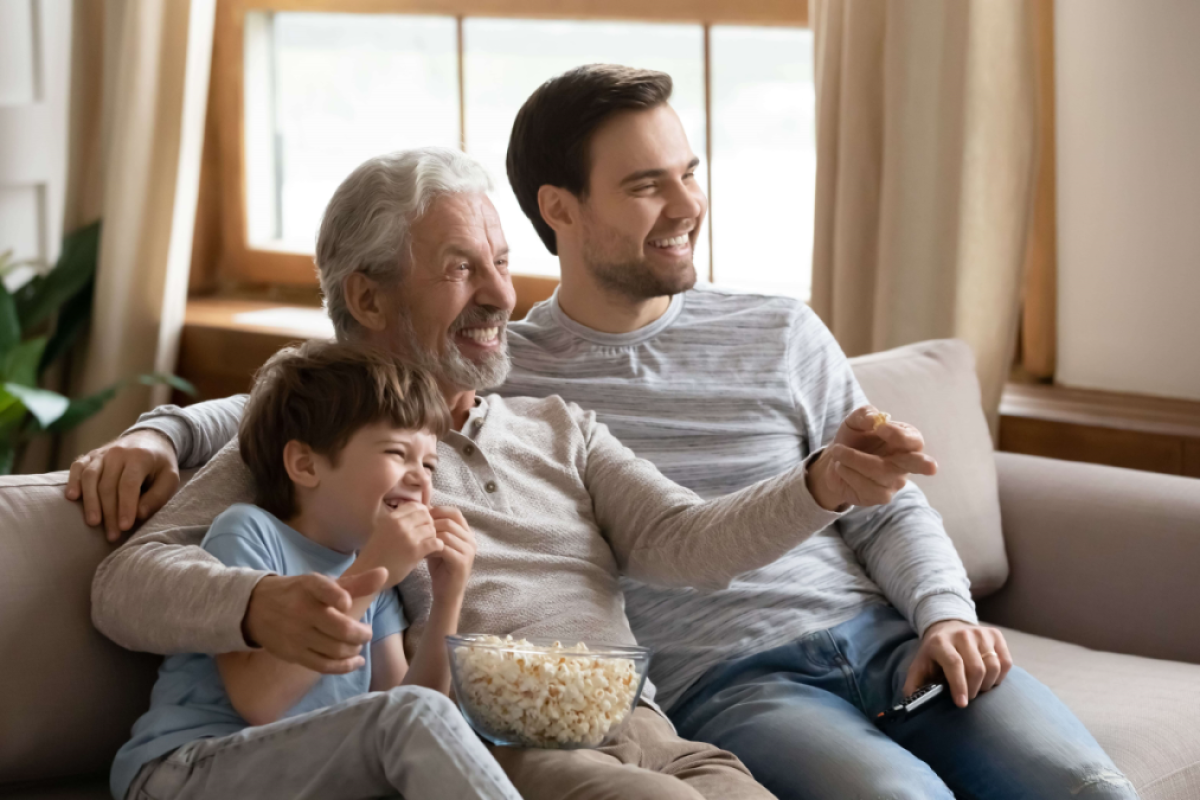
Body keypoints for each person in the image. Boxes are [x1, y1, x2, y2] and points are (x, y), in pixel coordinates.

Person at [77, 146, 935, 800]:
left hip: (639, 718)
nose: (500, 294)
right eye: (460, 268)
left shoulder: (558, 423)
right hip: (509, 745)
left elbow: (687, 543)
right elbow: (127, 583)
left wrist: (821, 483)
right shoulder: (344, 453)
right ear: (369, 300)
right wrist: (252, 598)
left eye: (498, 259)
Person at [109, 340, 519, 800]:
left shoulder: (375, 575)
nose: (422, 477)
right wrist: (372, 570)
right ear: (305, 465)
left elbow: (404, 701)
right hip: (185, 771)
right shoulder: (248, 532)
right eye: (396, 453)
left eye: (428, 463)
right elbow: (260, 701)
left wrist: (448, 595)